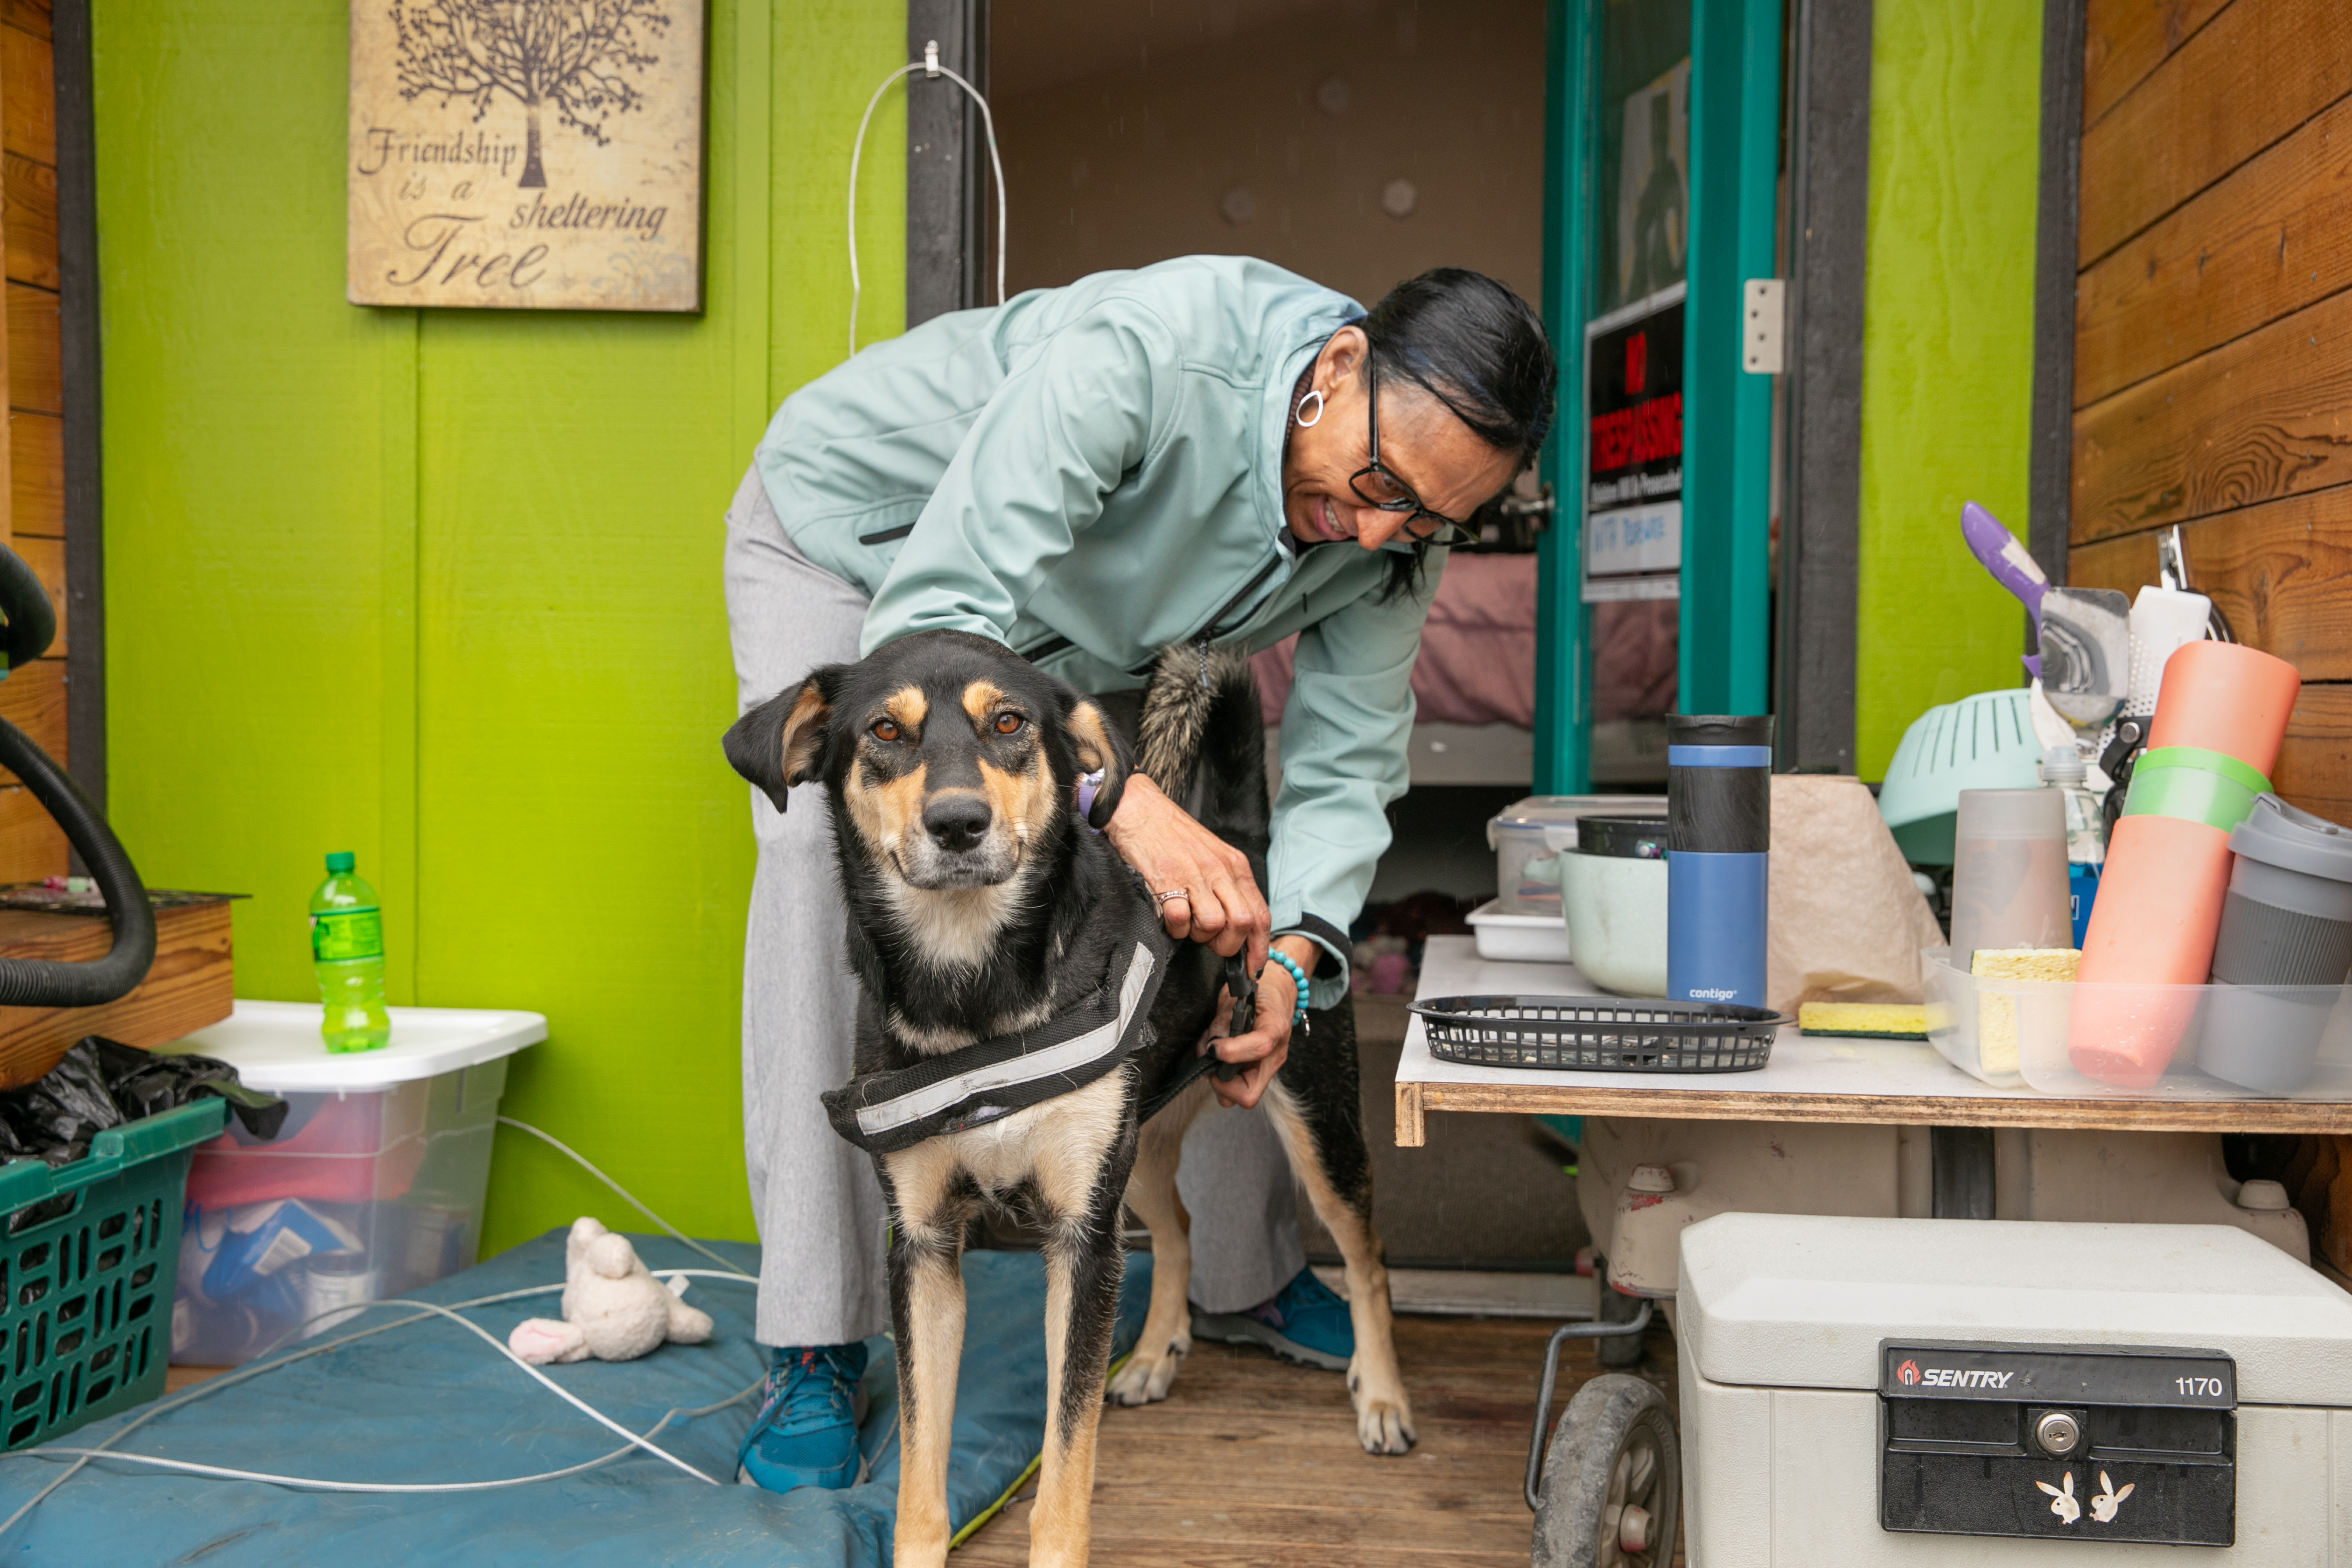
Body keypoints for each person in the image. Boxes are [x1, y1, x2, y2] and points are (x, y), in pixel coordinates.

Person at [724, 257, 1554, 1491]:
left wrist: (1300, 955)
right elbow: (944, 603)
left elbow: (1347, 758)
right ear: (1335, 373)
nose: (1386, 532)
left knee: (1213, 894)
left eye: (1430, 520)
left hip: (1065, 631)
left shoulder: (1394, 535)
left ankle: (1237, 1276)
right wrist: (1118, 798)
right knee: (820, 858)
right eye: (1381, 485)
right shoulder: (1148, 356)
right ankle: (815, 1334)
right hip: (862, 544)